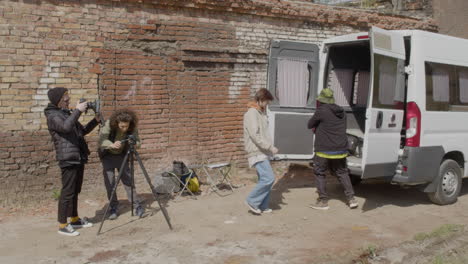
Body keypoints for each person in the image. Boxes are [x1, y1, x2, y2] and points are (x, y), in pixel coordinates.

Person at [44, 87, 100, 236]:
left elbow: (82, 131)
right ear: (58, 100)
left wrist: (96, 121)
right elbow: (66, 127)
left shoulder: (65, 113)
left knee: (75, 190)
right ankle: (63, 224)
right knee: (67, 192)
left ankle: (74, 219)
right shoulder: (53, 116)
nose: (68, 98)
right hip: (67, 158)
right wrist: (78, 111)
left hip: (77, 156)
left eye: (68, 95)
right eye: (65, 96)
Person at [307, 88, 358, 210]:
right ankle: (351, 199)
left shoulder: (321, 111)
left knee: (320, 172)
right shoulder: (342, 112)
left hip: (324, 149)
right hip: (340, 148)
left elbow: (309, 124)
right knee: (342, 172)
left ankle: (323, 201)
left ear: (322, 100)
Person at [98, 108, 144, 220]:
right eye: (122, 126)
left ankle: (136, 206)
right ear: (116, 123)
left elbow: (138, 142)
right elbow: (101, 140)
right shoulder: (109, 124)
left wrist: (133, 142)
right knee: (110, 183)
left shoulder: (132, 126)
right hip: (107, 155)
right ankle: (114, 207)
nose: (124, 129)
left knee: (128, 182)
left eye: (126, 126)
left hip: (122, 156)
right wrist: (111, 144)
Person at [243, 88, 279, 215]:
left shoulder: (260, 112)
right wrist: (270, 147)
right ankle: (252, 201)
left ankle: (263, 205)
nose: (267, 105)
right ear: (260, 100)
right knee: (268, 178)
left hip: (261, 151)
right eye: (267, 102)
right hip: (256, 151)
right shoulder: (252, 113)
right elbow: (255, 135)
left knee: (264, 179)